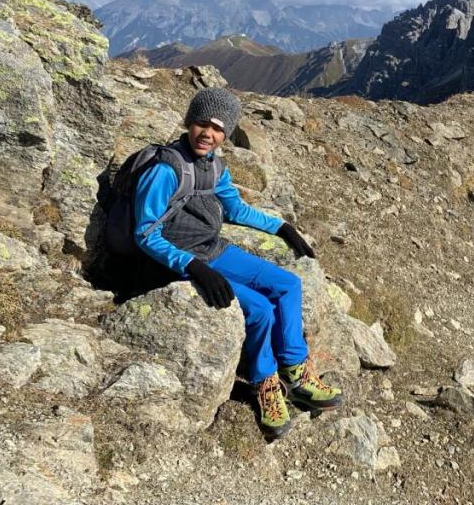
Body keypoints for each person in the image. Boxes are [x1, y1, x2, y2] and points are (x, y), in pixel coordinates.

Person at [133, 86, 342, 436]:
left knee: (288, 284)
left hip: (213, 250)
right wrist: (191, 267)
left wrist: (281, 227)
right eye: (202, 124)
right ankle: (265, 384)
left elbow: (235, 210)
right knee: (260, 309)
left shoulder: (215, 166)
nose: (208, 134)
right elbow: (145, 233)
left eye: (218, 129)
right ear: (188, 123)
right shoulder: (166, 169)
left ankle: (296, 373)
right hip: (177, 262)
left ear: (226, 134)